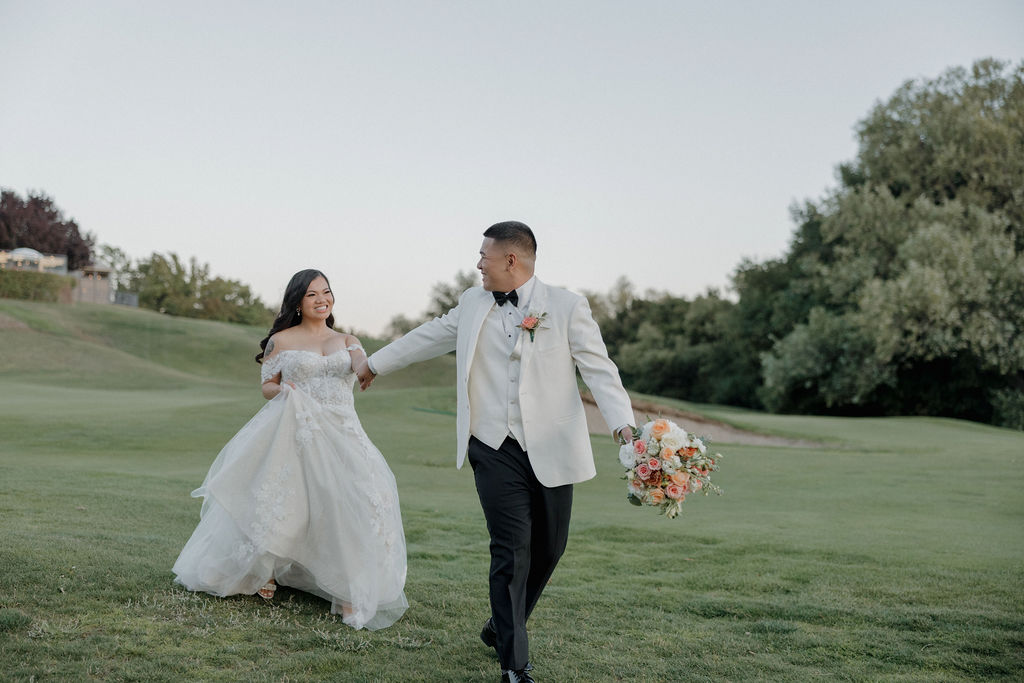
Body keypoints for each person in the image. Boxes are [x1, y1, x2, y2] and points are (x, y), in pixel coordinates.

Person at [355, 222, 634, 682]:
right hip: (491, 445)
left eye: (484, 255)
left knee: (551, 547)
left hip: (551, 446)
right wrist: (375, 364)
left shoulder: (566, 307)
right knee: (511, 550)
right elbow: (429, 335)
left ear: (512, 260)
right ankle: (514, 665)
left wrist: (624, 427)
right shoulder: (472, 302)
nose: (477, 263)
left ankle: (498, 626)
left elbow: (599, 370)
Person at [173, 269, 407, 631]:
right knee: (288, 501)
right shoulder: (281, 341)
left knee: (355, 501)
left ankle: (348, 589)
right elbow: (267, 386)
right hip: (298, 429)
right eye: (312, 294)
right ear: (297, 301)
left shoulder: (348, 339)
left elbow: (362, 365)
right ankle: (262, 568)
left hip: (343, 431)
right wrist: (286, 393)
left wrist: (370, 368)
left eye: (326, 292)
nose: (321, 300)